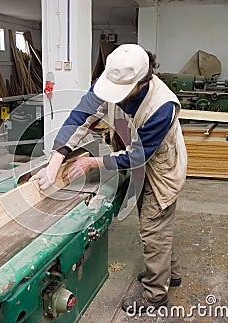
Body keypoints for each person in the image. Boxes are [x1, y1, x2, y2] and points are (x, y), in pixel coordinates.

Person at [30, 44, 187, 313]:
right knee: (156, 225)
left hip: (161, 166)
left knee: (153, 227)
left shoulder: (162, 106)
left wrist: (93, 161)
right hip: (138, 155)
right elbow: (81, 116)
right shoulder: (111, 80)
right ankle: (167, 273)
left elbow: (137, 157)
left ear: (143, 81)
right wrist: (56, 158)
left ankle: (155, 295)